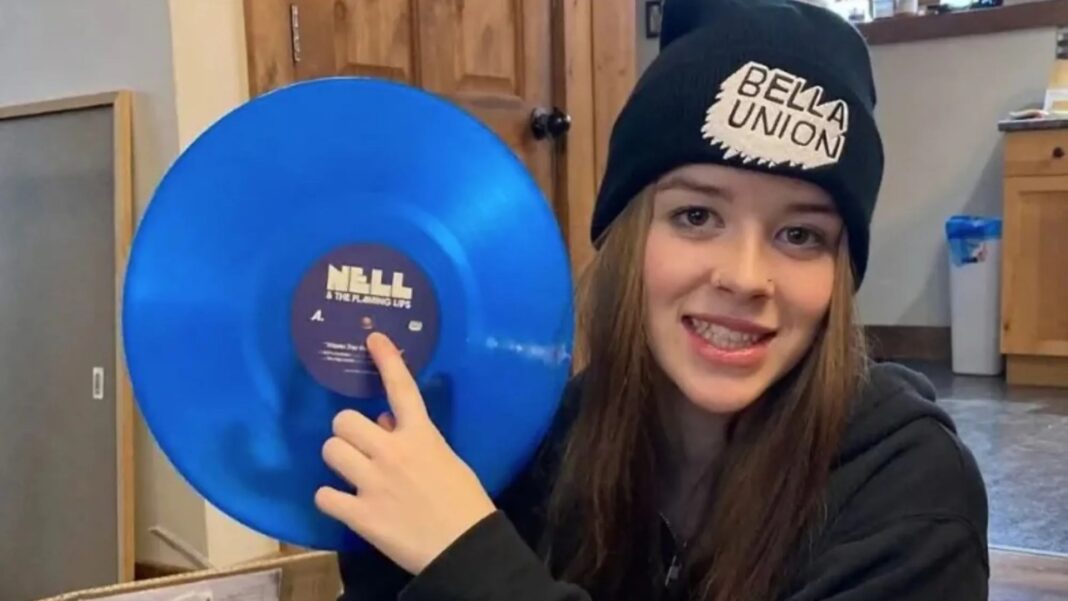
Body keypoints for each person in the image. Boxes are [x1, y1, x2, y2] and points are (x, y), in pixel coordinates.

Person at [312, 0, 990, 599]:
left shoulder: (911, 489)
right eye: (697, 216)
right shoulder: (550, 442)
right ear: (627, 235)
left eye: (800, 234)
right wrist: (392, 552)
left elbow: (470, 568)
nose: (746, 277)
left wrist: (467, 559)